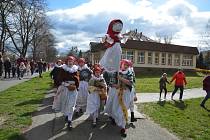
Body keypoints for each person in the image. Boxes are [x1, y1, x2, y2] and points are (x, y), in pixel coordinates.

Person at [52, 56, 79, 130]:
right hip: (65, 89)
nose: (70, 62)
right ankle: (67, 115)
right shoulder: (63, 69)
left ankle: (70, 121)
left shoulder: (75, 69)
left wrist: (76, 86)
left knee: (72, 105)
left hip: (73, 89)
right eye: (69, 61)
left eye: (71, 61)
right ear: (67, 61)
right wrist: (67, 85)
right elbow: (59, 80)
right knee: (66, 104)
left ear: (73, 62)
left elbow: (77, 79)